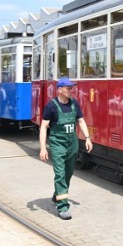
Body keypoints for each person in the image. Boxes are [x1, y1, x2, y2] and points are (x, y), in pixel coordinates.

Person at [39, 77, 93, 220]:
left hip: (72, 144)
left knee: (68, 173)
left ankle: (58, 194)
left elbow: (81, 121)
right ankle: (62, 206)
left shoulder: (74, 103)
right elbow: (44, 127)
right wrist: (43, 148)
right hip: (58, 144)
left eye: (71, 88)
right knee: (60, 174)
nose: (71, 90)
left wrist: (87, 138)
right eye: (68, 88)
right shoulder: (51, 106)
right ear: (60, 90)